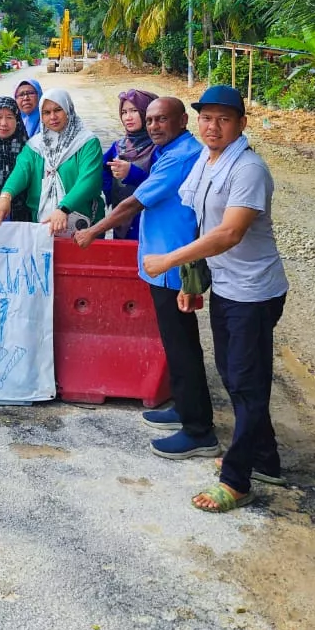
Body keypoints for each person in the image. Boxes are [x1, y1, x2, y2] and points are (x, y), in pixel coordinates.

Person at [142, 85, 290, 514]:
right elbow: (197, 222)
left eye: (224, 119)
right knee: (234, 374)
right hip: (227, 288)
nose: (213, 126)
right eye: (207, 118)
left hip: (254, 293)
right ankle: (264, 459)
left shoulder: (249, 169)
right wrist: (191, 283)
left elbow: (228, 233)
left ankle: (237, 480)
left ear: (241, 124)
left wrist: (169, 260)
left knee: (246, 382)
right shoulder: (207, 162)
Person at [75, 97, 212, 460]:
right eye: (150, 120)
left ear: (182, 120)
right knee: (175, 342)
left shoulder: (180, 155)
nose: (153, 126)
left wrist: (94, 232)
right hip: (163, 263)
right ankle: (184, 408)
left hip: (173, 265)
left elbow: (134, 202)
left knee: (182, 345)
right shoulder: (170, 151)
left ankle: (200, 430)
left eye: (161, 119)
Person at [0, 88, 103, 235]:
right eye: (46, 112)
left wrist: (64, 208)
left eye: (58, 110)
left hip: (83, 227)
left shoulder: (86, 142)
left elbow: (88, 181)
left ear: (68, 110)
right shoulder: (36, 145)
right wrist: (5, 196)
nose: (52, 117)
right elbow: (21, 171)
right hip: (43, 227)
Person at [102, 88, 159, 240]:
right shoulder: (118, 146)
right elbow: (101, 170)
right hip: (122, 222)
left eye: (134, 110)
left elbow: (161, 185)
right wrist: (111, 193)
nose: (128, 117)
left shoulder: (158, 147)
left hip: (149, 222)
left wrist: (132, 173)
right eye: (124, 112)